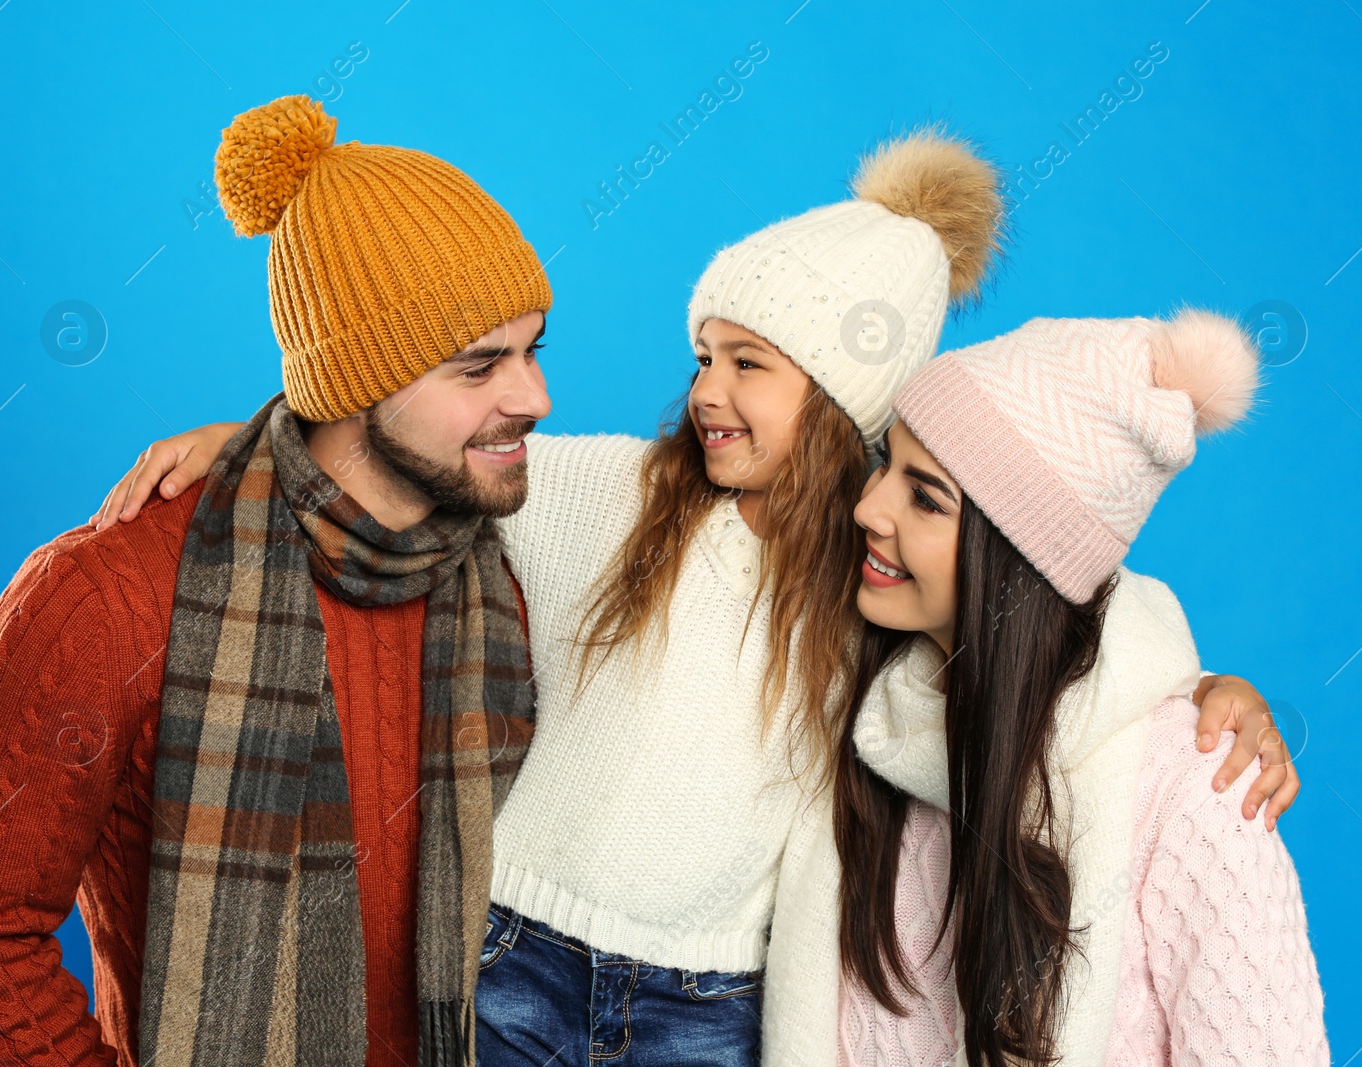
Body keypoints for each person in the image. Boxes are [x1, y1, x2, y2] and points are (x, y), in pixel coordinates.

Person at [90, 132, 1297, 1067]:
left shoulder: (874, 580)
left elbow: (1061, 594)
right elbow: (423, 457)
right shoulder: (605, 492)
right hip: (512, 953)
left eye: (749, 364)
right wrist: (257, 439)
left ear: (840, 395)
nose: (708, 390)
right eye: (702, 356)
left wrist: (1208, 691)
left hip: (710, 1009)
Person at [0, 95, 552, 1067]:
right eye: (479, 365)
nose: (533, 397)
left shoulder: (503, 568)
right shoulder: (110, 591)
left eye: (535, 349)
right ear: (358, 384)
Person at [835, 313, 1328, 1066]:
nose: (869, 508)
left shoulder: (1197, 791)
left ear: (1019, 565)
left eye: (926, 499)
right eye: (884, 463)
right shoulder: (868, 729)